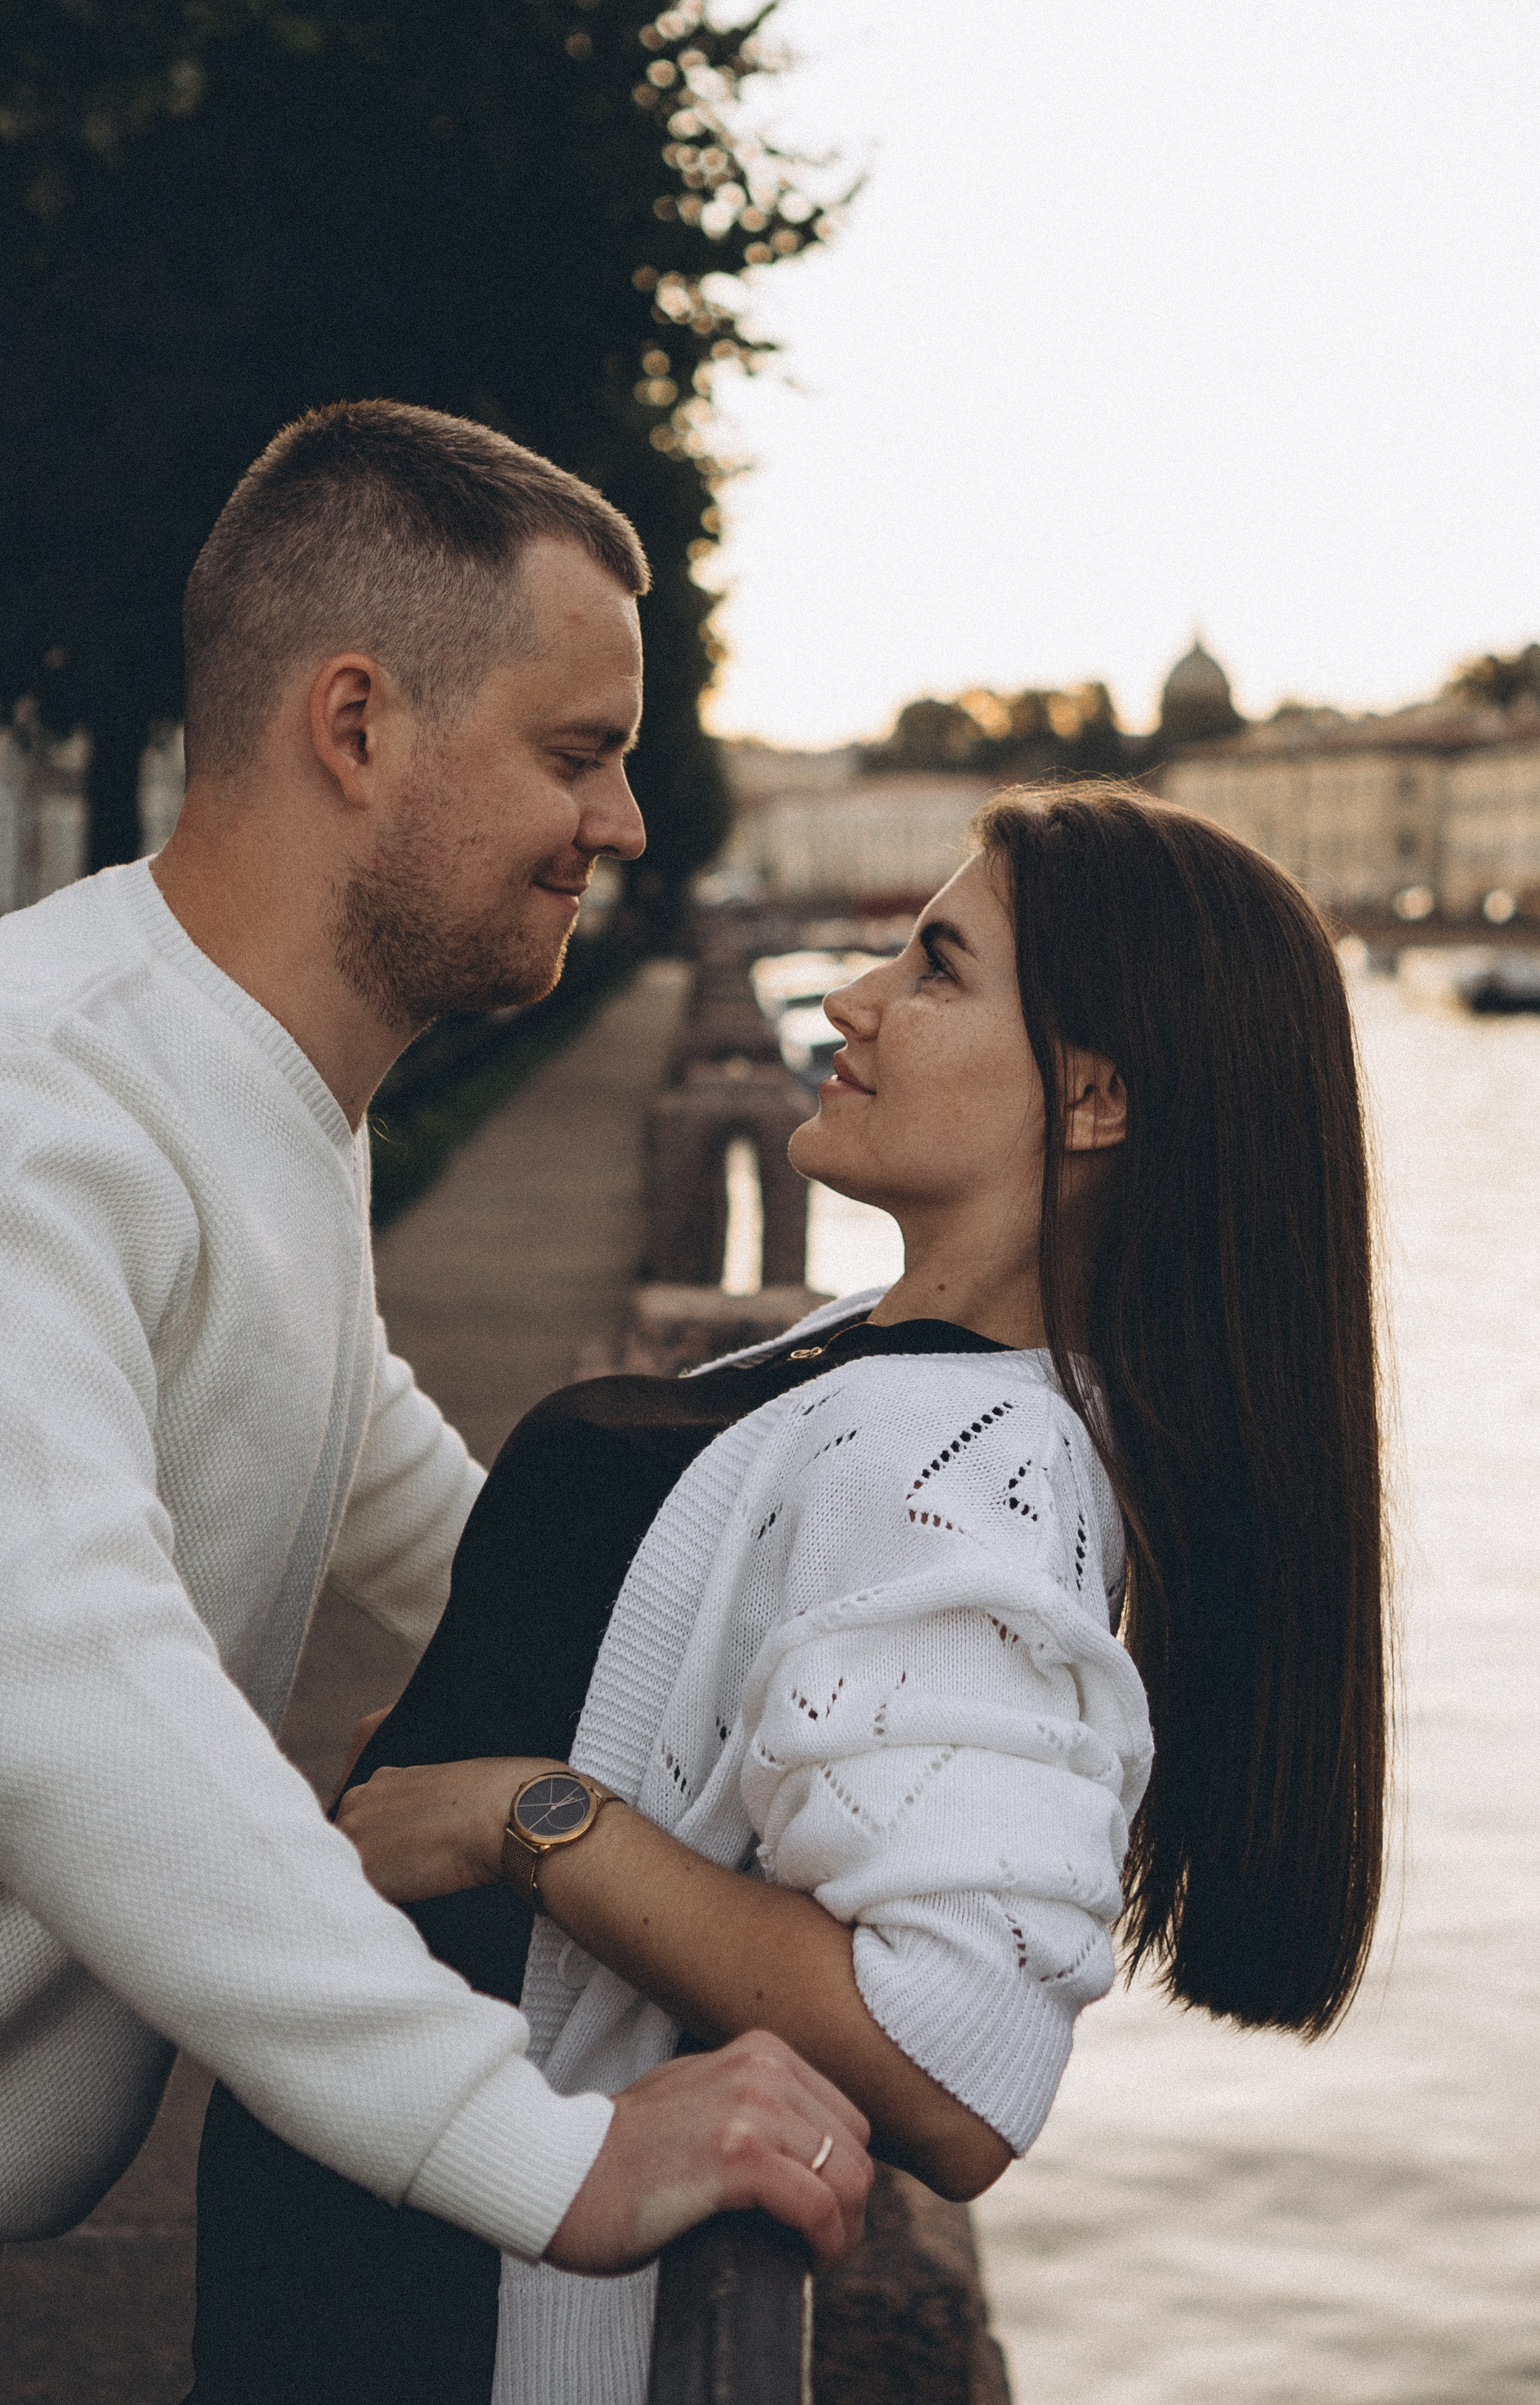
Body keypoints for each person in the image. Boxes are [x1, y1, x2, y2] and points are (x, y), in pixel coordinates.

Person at [192, 779, 1391, 2404]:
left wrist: (512, 1813)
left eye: (937, 968)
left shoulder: (968, 1454)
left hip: (453, 2316)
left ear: (1095, 1096)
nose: (850, 999)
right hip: (388, 2226)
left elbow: (953, 2063)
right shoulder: (890, 1362)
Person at [0, 400, 871, 2290]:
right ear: (357, 727)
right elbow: (59, 1679)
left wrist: (752, 1716)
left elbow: (348, 1437)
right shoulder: (37, 1100)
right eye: (578, 754)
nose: (624, 826)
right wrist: (537, 2152)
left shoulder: (244, 1090)